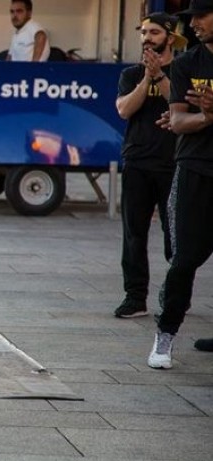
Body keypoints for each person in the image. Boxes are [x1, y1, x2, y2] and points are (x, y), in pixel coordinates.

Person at [148, 0, 213, 369]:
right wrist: (207, 115)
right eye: (191, 18)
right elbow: (177, 121)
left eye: (202, 16)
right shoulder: (188, 63)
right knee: (184, 259)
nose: (194, 24)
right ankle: (165, 335)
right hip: (196, 169)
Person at [113, 13, 185, 319]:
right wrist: (147, 78)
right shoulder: (131, 74)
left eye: (154, 33)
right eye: (143, 33)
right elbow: (124, 109)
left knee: (175, 236)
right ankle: (135, 296)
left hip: (173, 164)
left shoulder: (183, 70)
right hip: (137, 162)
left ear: (169, 37)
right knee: (133, 233)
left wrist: (160, 77)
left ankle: (173, 295)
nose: (146, 38)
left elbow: (180, 103)